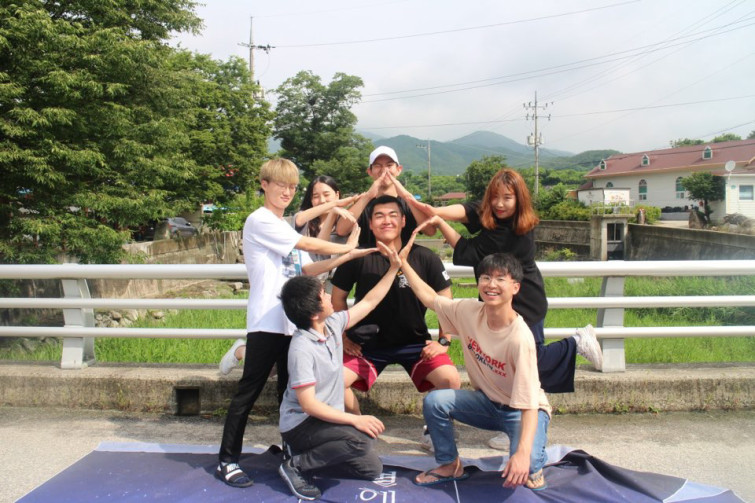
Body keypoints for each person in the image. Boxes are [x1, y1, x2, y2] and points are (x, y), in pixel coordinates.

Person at [396, 168, 602, 450]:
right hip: (498, 300)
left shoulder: (516, 231)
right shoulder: (493, 214)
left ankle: (575, 344)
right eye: (495, 197)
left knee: (527, 364)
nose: (500, 204)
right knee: (508, 364)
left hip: (523, 301)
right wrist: (437, 211)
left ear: (520, 199)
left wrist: (440, 221)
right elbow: (469, 210)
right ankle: (513, 418)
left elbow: (470, 253)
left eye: (508, 198)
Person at [216, 159, 375, 489]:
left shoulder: (285, 227)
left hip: (293, 325)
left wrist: (348, 256)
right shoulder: (260, 220)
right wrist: (347, 246)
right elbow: (308, 244)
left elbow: (308, 269)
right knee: (248, 393)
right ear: (264, 184)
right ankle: (227, 460)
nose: (287, 192)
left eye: (291, 186)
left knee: (289, 395)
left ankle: (291, 453)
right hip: (266, 321)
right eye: (280, 185)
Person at [398, 248, 551, 491]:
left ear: (515, 287)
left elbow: (530, 403)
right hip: (487, 403)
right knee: (436, 401)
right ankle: (450, 465)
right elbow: (430, 298)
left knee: (527, 468)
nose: (491, 284)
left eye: (500, 279)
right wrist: (403, 262)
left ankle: (536, 459)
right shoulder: (469, 311)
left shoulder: (520, 338)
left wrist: (522, 454)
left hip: (521, 411)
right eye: (486, 278)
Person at [330, 195, 460, 449]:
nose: (386, 221)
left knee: (450, 379)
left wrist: (444, 341)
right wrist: (343, 336)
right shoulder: (359, 256)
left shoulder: (425, 257)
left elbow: (446, 301)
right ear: (370, 223)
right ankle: (358, 425)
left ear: (403, 221)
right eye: (379, 216)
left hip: (415, 343)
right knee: (333, 380)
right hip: (366, 345)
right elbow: (337, 298)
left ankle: (434, 430)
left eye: (393, 215)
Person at [276, 242, 401, 500]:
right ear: (313, 314)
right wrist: (354, 419)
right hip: (301, 424)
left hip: (325, 421)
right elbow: (309, 405)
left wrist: (393, 269)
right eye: (323, 294)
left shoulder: (332, 325)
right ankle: (295, 465)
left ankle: (312, 456)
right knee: (359, 439)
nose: (329, 296)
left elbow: (369, 302)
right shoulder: (301, 348)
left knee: (372, 469)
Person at [219, 175, 359, 376]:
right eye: (315, 196)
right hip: (293, 299)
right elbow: (311, 246)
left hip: (319, 295)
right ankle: (241, 351)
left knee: (300, 361)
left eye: (327, 195)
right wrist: (344, 241)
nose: (321, 200)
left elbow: (313, 265)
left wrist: (349, 252)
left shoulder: (344, 222)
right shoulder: (293, 223)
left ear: (337, 194)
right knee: (273, 367)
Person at [335, 146, 432, 247]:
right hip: (369, 256)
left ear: (399, 170)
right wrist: (367, 197)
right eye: (377, 166)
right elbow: (341, 230)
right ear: (370, 171)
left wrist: (407, 197)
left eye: (389, 165)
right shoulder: (363, 203)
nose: (384, 170)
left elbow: (430, 231)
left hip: (404, 256)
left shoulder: (409, 203)